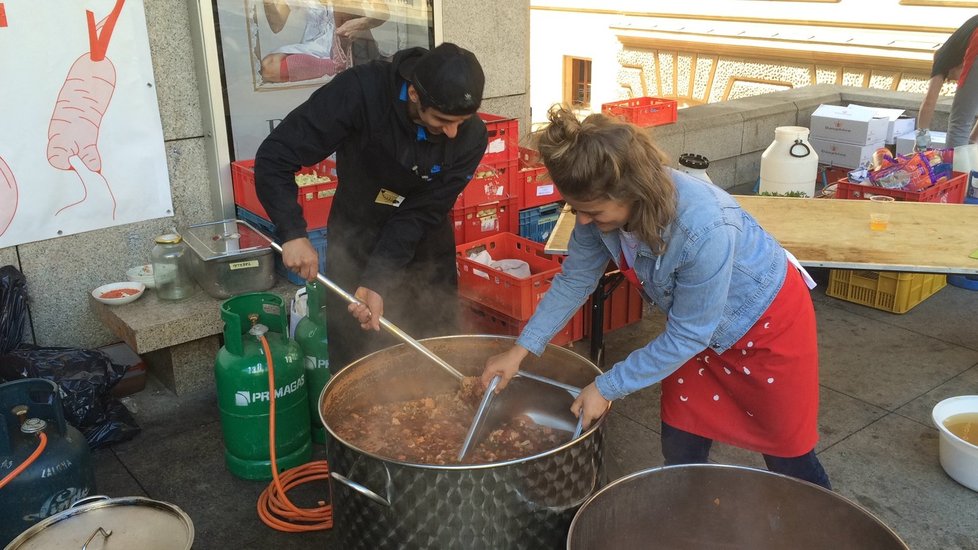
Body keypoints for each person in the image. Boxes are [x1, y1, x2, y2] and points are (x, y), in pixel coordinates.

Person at [480, 106, 831, 489]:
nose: (582, 221)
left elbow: (688, 336)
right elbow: (575, 280)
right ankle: (683, 512)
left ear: (631, 191)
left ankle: (826, 523)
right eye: (576, 209)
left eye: (592, 212)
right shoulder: (596, 209)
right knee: (681, 439)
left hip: (764, 325)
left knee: (786, 452)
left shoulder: (704, 227)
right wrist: (520, 350)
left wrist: (606, 386)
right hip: (694, 329)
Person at [254, 43, 487, 371]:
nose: (453, 133)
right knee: (357, 357)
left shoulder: (472, 135)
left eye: (461, 122)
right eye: (444, 120)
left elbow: (420, 212)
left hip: (424, 244)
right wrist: (292, 231)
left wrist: (379, 278)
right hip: (356, 236)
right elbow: (276, 155)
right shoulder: (361, 91)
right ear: (415, 94)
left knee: (434, 351)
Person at [260, 0, 389, 83]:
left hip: (348, 43)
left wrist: (361, 24)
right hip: (313, 45)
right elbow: (276, 26)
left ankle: (341, 64)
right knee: (269, 67)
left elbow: (383, 13)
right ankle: (333, 67)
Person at [916, 14, 978, 150]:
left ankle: (955, 170)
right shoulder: (958, 47)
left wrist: (921, 139)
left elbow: (929, 101)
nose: (951, 81)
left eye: (949, 79)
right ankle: (964, 165)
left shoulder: (941, 60)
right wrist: (972, 143)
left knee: (959, 124)